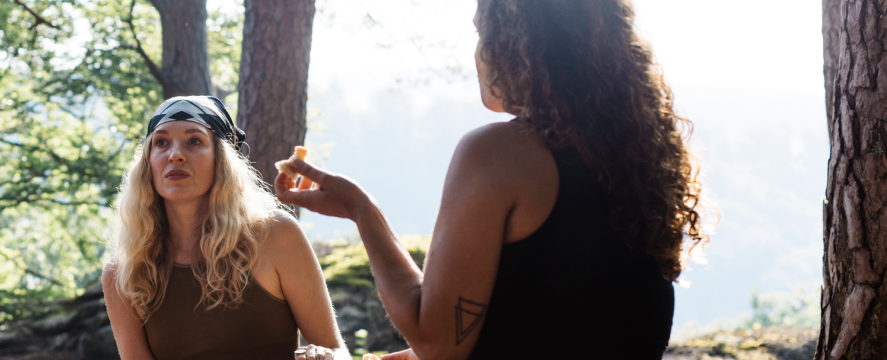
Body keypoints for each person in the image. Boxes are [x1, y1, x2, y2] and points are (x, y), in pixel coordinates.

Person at [275, 1, 707, 359]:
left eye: (484, 34)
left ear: (521, 46)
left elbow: (437, 343)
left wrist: (361, 210)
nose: (478, 53)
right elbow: (564, 317)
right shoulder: (640, 164)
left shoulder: (499, 153)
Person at [102, 96, 346, 360]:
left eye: (194, 141)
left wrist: (324, 357)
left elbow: (336, 349)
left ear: (222, 159)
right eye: (161, 142)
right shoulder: (124, 273)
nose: (175, 155)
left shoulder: (276, 234)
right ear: (148, 162)